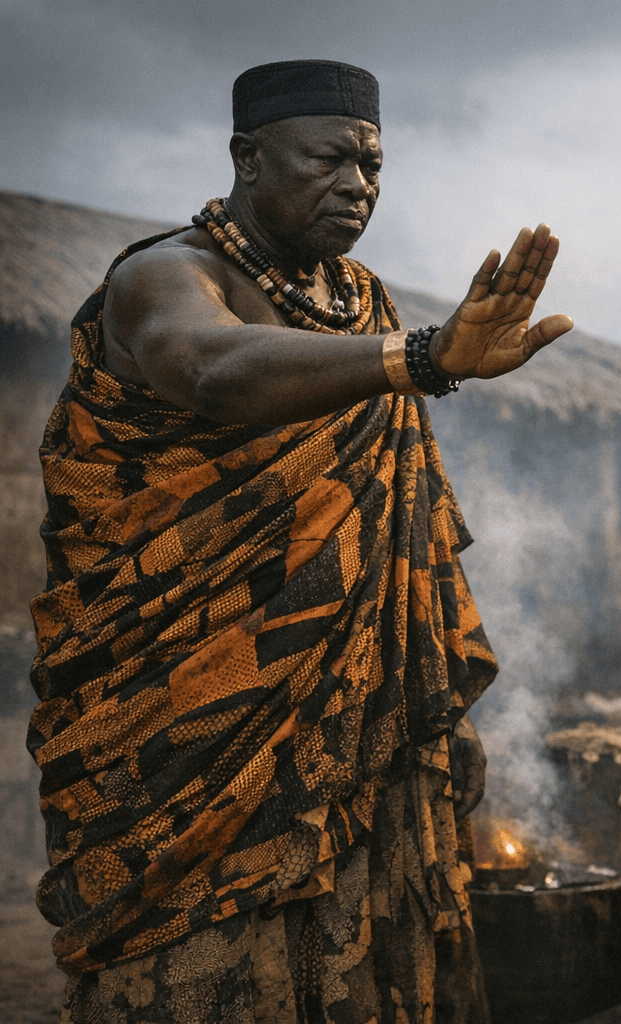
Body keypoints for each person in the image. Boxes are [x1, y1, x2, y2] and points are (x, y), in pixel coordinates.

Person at [28, 61, 572, 1024]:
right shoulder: (165, 276)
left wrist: (445, 703)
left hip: (361, 712)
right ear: (248, 156)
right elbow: (208, 367)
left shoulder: (362, 302)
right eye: (330, 159)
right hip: (181, 723)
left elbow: (403, 535)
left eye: (372, 166)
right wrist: (423, 360)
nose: (357, 185)